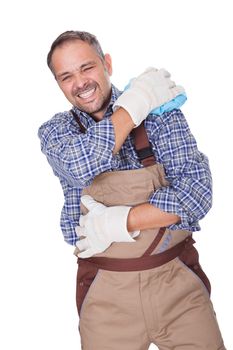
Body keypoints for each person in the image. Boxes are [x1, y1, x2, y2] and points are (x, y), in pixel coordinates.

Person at [38, 31, 225, 349]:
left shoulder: (161, 114)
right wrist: (135, 104)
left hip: (177, 284)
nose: (80, 83)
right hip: (106, 295)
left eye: (87, 68)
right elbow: (80, 165)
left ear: (107, 63)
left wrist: (121, 222)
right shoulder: (57, 131)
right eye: (66, 76)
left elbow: (197, 194)